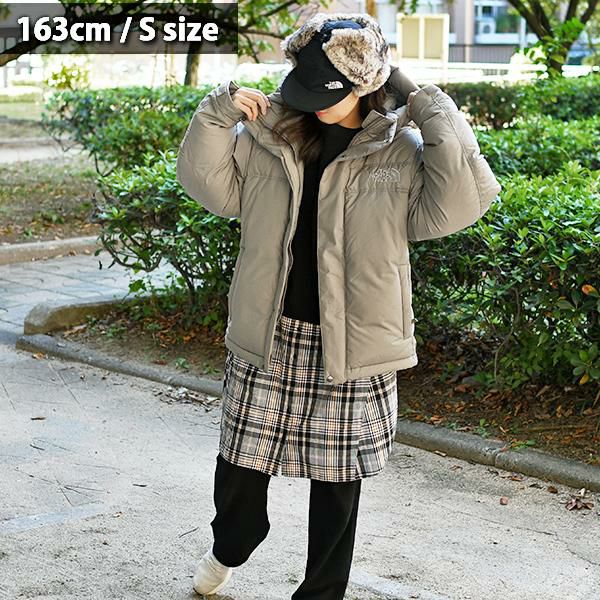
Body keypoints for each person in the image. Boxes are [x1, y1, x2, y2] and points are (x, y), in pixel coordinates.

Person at [176, 11, 502, 599]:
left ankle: (322, 593)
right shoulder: (271, 138)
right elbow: (210, 187)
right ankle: (232, 545)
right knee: (241, 467)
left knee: (337, 482)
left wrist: (422, 100)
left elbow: (464, 200)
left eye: (326, 93)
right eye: (305, 89)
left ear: (365, 83)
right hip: (271, 330)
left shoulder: (399, 151)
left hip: (353, 340)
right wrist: (216, 115)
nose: (313, 105)